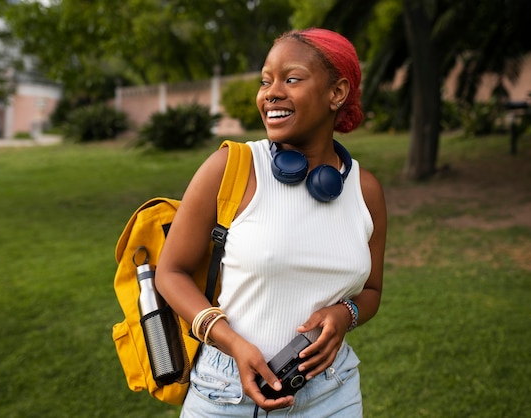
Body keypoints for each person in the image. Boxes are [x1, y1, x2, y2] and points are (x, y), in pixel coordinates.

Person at [156, 28, 387, 417]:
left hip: (333, 393)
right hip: (225, 395)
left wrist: (344, 315)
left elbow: (373, 291)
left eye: (291, 79)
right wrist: (230, 341)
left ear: (337, 93)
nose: (270, 93)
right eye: (266, 81)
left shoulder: (365, 190)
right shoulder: (231, 168)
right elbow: (171, 272)